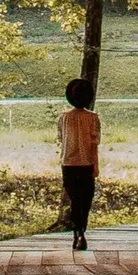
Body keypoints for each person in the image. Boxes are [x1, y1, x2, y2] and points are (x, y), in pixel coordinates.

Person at [58, 76, 100, 252]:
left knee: (75, 200)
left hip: (68, 164)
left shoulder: (63, 117)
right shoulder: (93, 118)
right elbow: (94, 144)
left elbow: (61, 139)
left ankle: (77, 233)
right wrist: (96, 166)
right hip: (86, 164)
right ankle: (82, 231)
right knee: (86, 200)